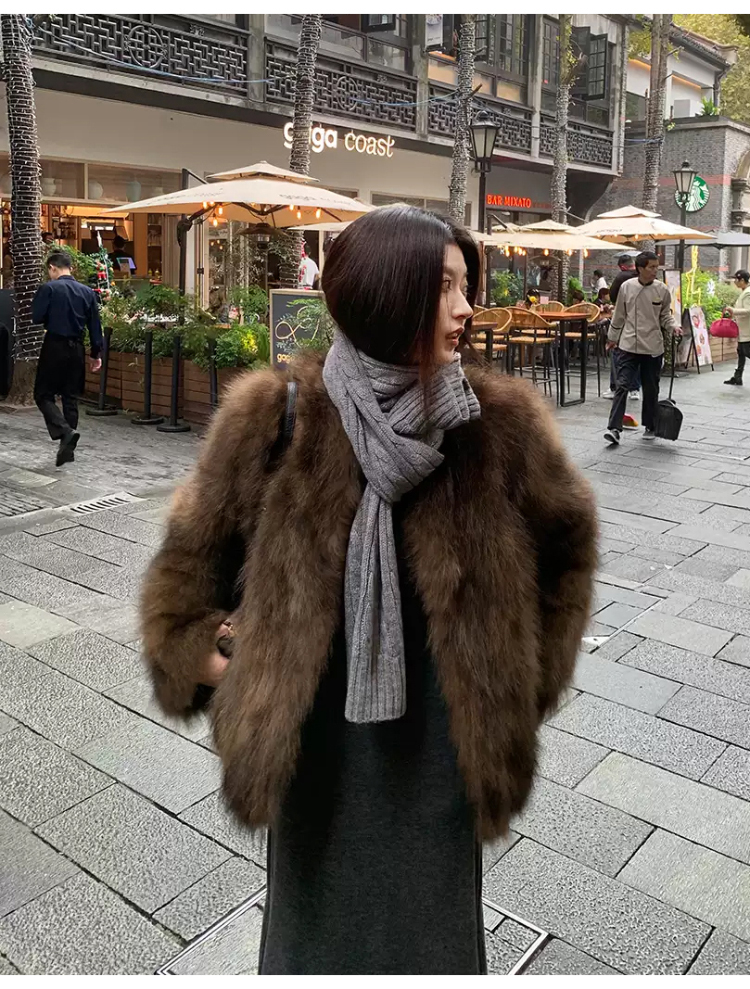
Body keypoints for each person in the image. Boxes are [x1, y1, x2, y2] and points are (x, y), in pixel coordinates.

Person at [139, 205, 597, 976]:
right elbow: (190, 557)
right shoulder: (276, 417)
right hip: (315, 741)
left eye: (466, 286)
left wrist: (522, 685)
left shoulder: (497, 427)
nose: (466, 308)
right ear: (388, 294)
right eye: (444, 288)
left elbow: (567, 549)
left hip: (442, 745)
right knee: (315, 936)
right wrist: (194, 649)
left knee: (432, 940)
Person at [32, 251, 103, 465]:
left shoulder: (49, 289)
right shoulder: (87, 292)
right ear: (70, 268)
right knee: (70, 397)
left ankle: (65, 432)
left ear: (52, 267)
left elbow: (37, 317)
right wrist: (96, 354)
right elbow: (95, 326)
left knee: (43, 394)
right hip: (77, 348)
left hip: (54, 345)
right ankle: (67, 450)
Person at [604, 251, 680, 446]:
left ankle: (650, 426)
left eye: (656, 267)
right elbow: (619, 315)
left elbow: (665, 315)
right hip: (628, 344)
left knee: (650, 387)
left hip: (652, 346)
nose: (655, 270)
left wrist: (673, 326)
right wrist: (612, 338)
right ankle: (614, 428)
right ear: (640, 268)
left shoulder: (662, 290)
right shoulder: (627, 287)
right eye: (651, 267)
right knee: (622, 385)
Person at [602, 255, 640, 403]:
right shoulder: (643, 277)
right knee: (635, 354)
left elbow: (613, 298)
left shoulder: (621, 277)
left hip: (623, 321)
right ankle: (634, 389)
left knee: (617, 353)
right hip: (639, 322)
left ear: (622, 266)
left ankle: (615, 387)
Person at [724, 269, 750, 386]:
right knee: (741, 352)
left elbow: (748, 310)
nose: (735, 282)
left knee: (746, 352)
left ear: (742, 280)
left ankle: (737, 377)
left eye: (736, 280)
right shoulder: (745, 291)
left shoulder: (748, 293)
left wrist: (733, 310)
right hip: (742, 329)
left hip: (747, 330)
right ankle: (737, 377)